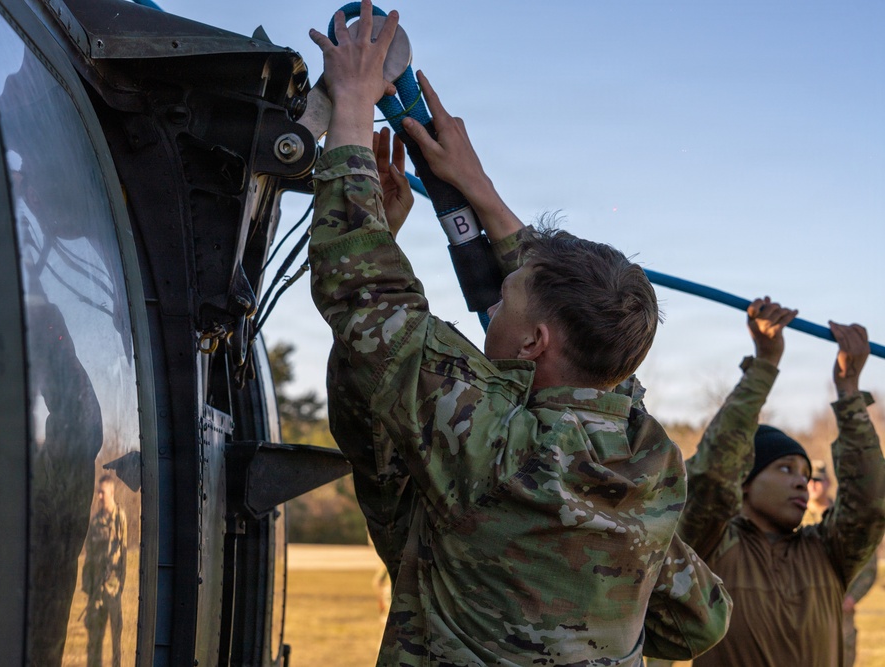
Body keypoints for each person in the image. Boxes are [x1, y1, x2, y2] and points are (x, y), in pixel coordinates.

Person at [307, 3, 730, 664]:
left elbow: (366, 300)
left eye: (504, 299)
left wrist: (353, 108)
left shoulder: (496, 449)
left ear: (534, 344)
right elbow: (701, 624)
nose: (491, 308)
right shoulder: (649, 467)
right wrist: (478, 188)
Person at [677, 297, 885, 666]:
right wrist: (764, 364)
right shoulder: (708, 548)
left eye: (804, 475)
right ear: (744, 481)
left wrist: (849, 392)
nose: (802, 483)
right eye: (785, 469)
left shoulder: (827, 552)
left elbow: (870, 500)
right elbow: (710, 475)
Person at [802, 460, 879, 667]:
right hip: (803, 609)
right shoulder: (793, 516)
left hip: (839, 610)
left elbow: (868, 566)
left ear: (828, 483)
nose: (813, 485)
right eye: (809, 480)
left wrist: (851, 598)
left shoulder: (844, 518)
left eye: (818, 480)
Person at [82, 475, 127, 667]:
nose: (99, 496)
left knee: (116, 641)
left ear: (111, 493)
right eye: (98, 492)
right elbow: (89, 559)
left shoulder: (119, 518)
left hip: (113, 589)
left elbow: (123, 555)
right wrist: (89, 589)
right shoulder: (95, 521)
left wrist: (119, 586)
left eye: (102, 492)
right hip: (96, 593)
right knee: (94, 642)